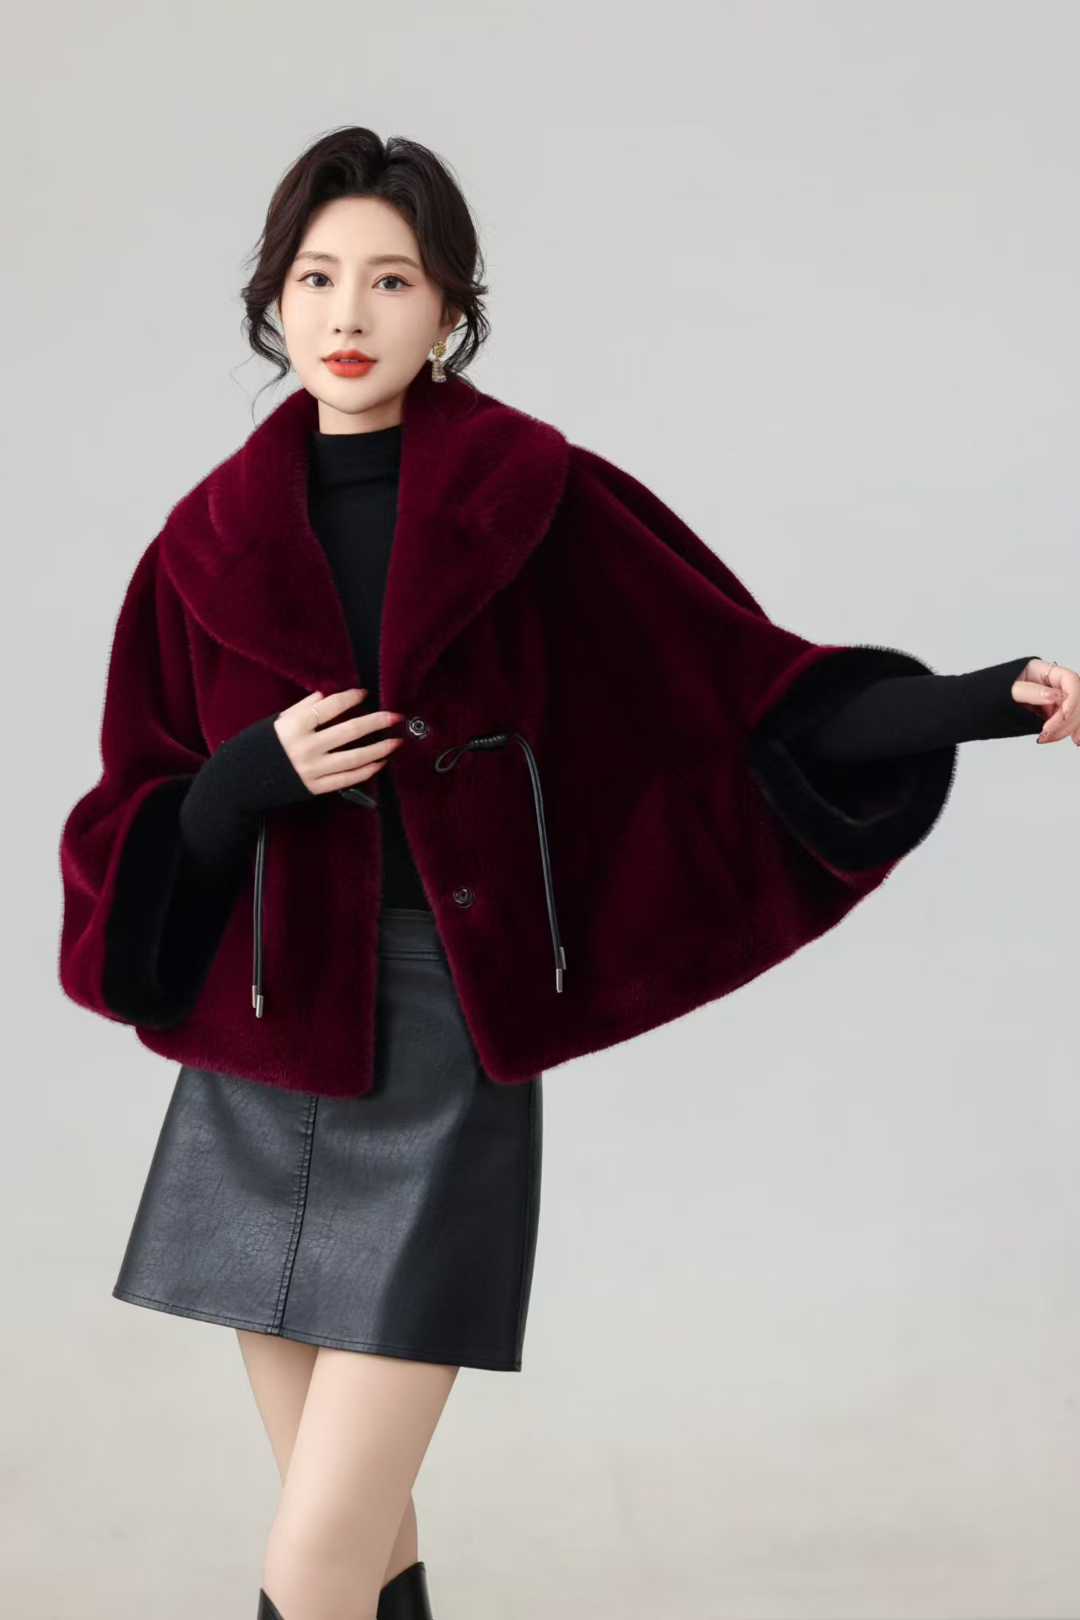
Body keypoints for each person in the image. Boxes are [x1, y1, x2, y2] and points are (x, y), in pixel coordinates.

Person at [57, 126, 1078, 1620]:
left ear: (450, 307)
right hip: (253, 1065)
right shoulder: (199, 546)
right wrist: (244, 781)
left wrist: (980, 701)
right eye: (317, 277)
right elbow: (128, 818)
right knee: (361, 1541)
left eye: (392, 279)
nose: (349, 314)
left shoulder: (536, 501)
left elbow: (748, 699)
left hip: (443, 1041)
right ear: (272, 299)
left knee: (314, 1556)